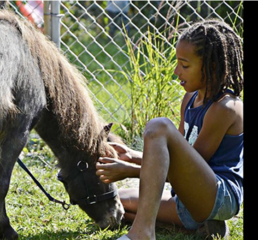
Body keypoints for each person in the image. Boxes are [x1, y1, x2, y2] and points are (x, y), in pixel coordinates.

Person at [96, 19, 243, 240]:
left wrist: (131, 169)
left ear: (211, 66)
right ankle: (203, 228)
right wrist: (134, 156)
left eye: (185, 65)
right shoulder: (190, 99)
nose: (177, 72)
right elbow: (177, 159)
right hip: (189, 201)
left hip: (217, 197)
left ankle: (142, 233)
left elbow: (187, 172)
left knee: (159, 126)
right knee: (109, 203)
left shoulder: (225, 108)